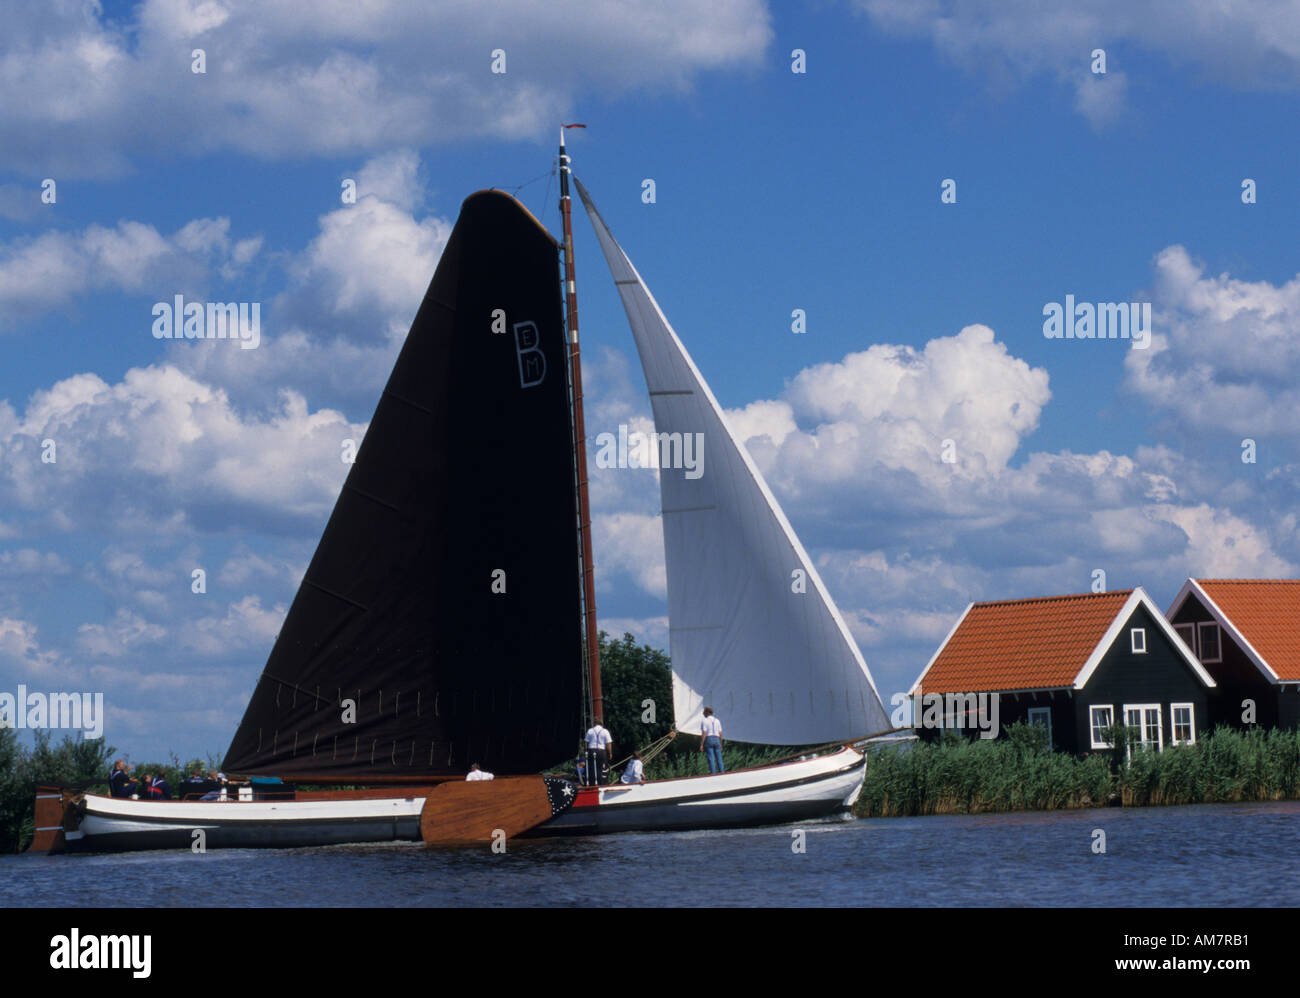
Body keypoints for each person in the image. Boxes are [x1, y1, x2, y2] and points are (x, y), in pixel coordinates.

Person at [584, 720, 613, 785]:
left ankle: (591, 783)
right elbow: (608, 743)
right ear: (601, 724)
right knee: (601, 768)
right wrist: (610, 753)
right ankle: (601, 783)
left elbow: (586, 743)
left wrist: (585, 751)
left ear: (594, 724)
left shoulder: (590, 731)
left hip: (591, 750)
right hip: (601, 751)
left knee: (591, 768)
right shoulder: (605, 731)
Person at [700, 706, 724, 773]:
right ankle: (722, 772)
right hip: (717, 738)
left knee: (711, 758)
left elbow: (704, 733)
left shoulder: (704, 721)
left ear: (707, 712)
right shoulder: (717, 720)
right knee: (719, 757)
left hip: (709, 738)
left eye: (704, 712)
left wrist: (701, 744)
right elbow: (720, 733)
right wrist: (721, 743)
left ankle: (713, 773)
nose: (703, 713)